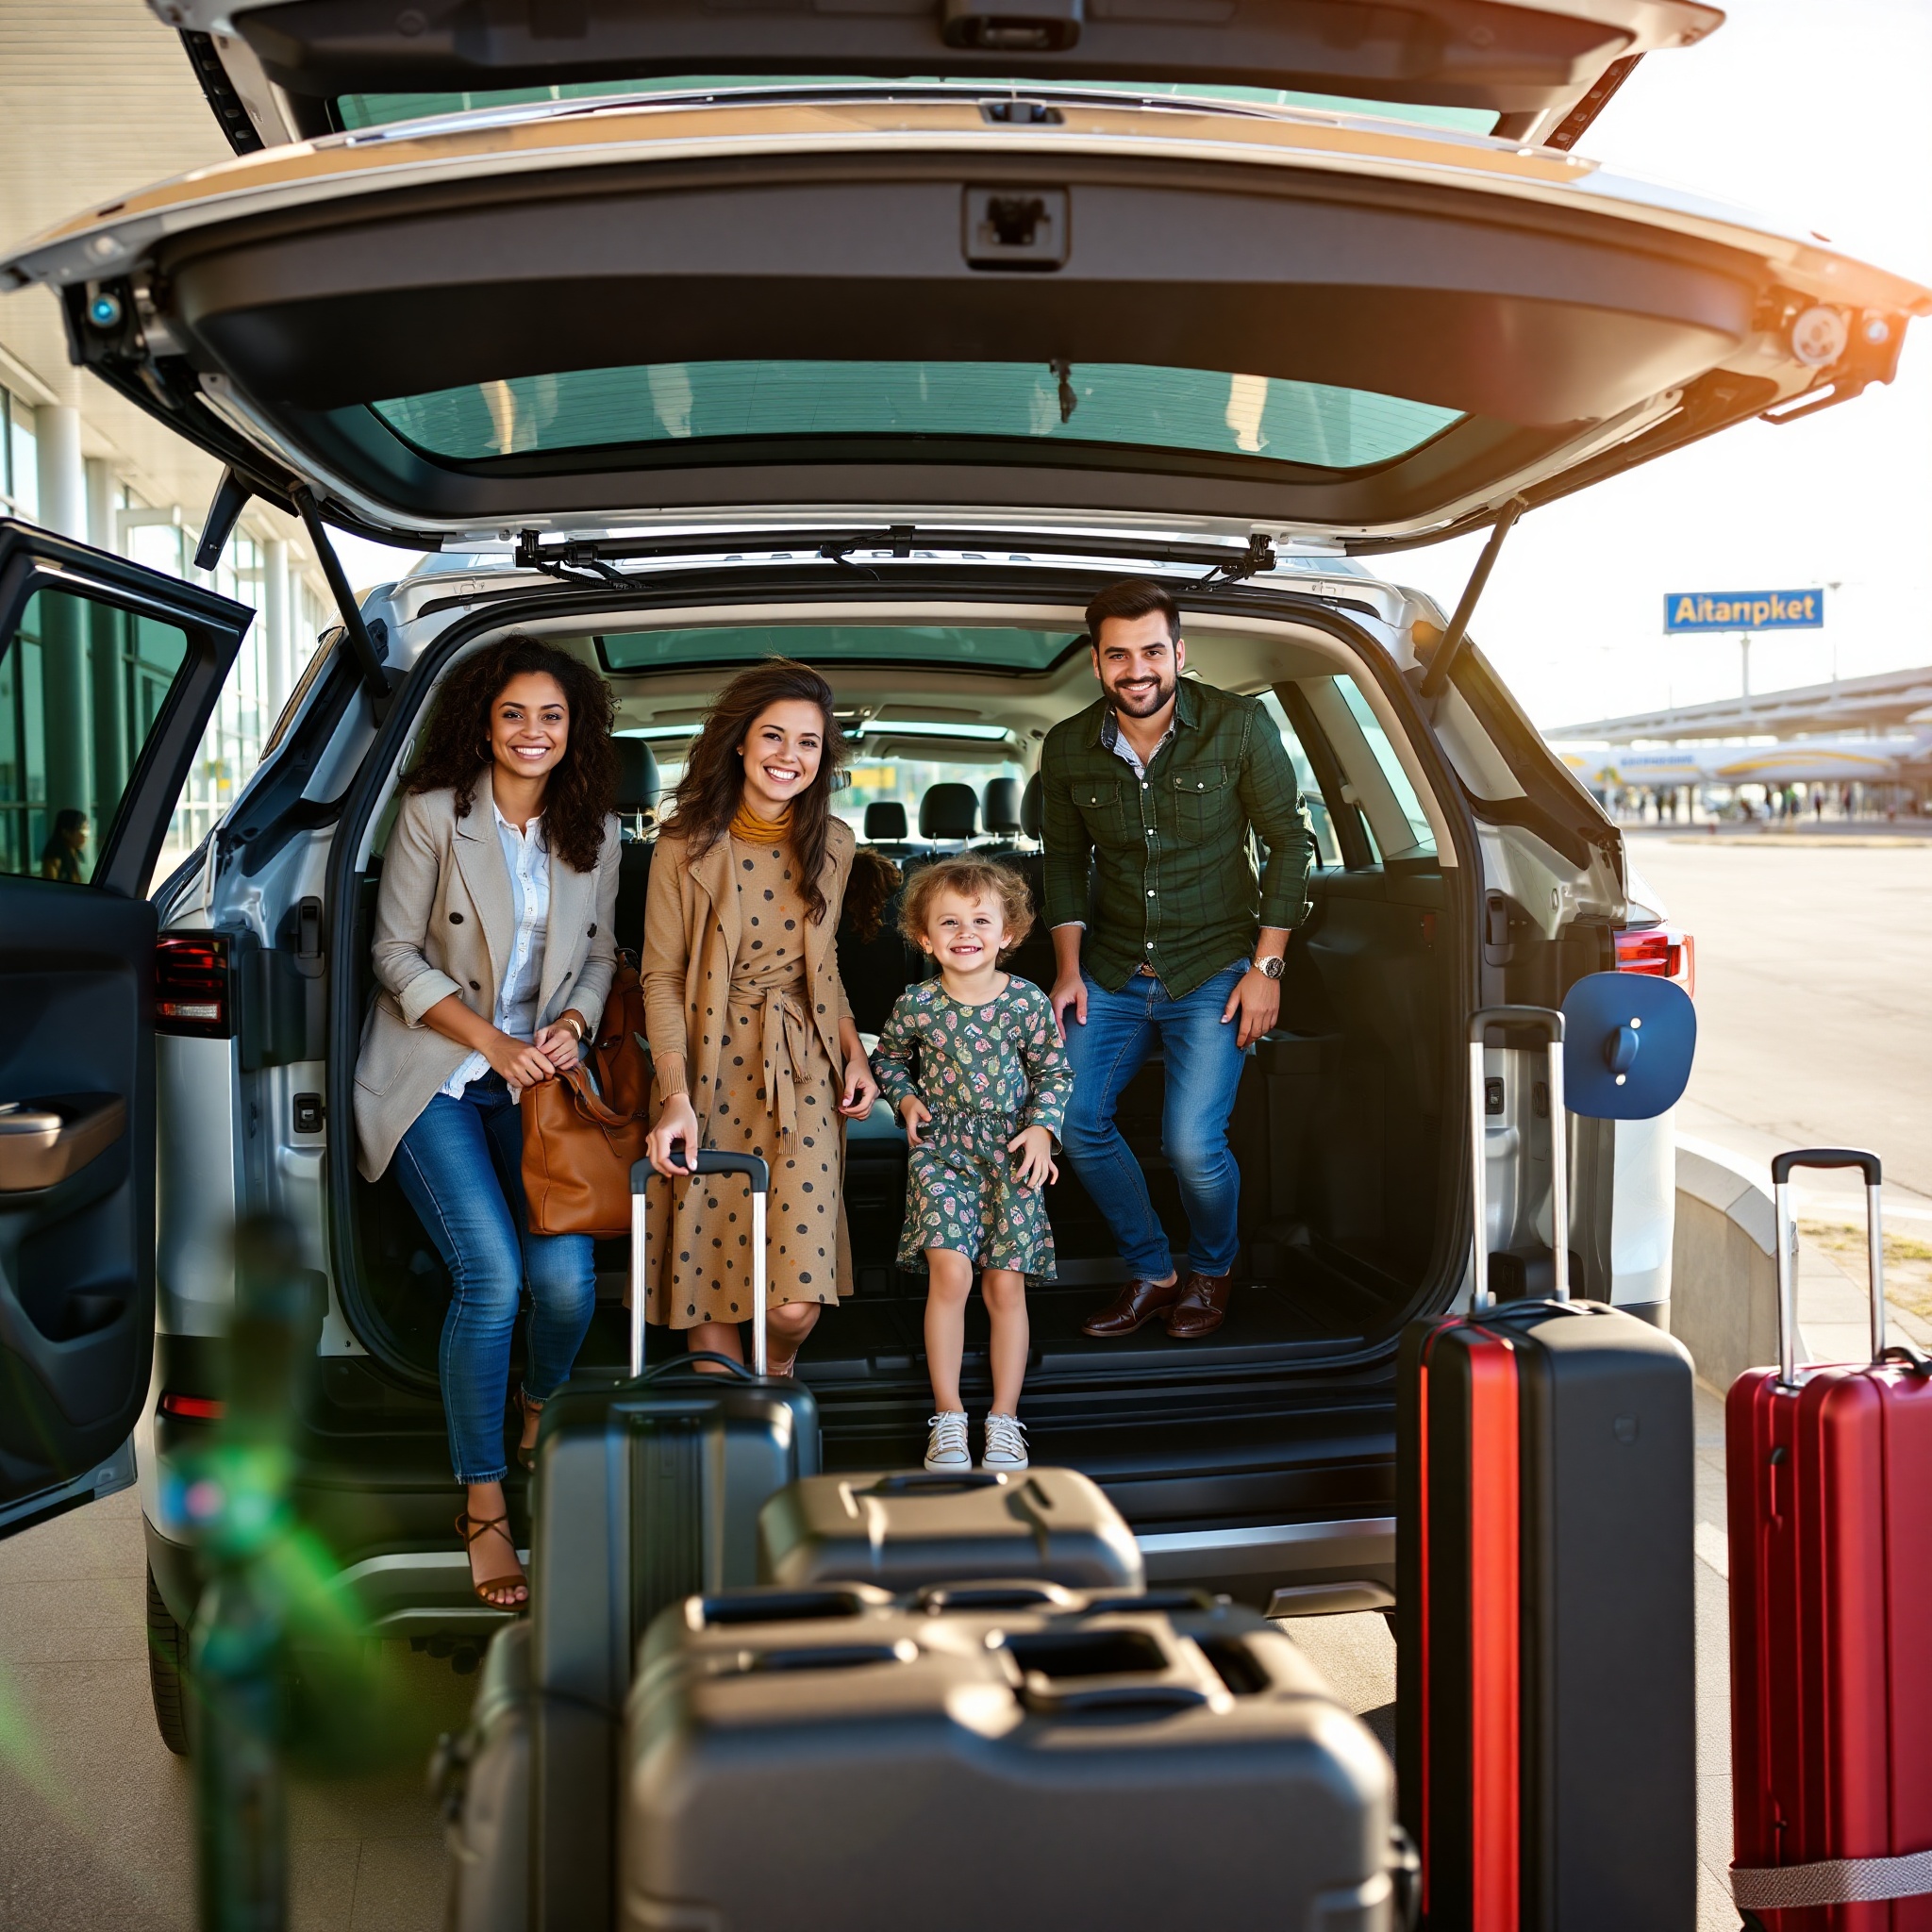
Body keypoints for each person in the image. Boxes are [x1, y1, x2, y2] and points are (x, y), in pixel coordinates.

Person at [354, 635, 621, 1609]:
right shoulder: (434, 816)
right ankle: (483, 1502)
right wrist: (493, 1042)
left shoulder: (595, 827)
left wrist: (570, 1024)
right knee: (493, 1276)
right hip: (437, 1071)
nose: (532, 732)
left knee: (563, 1278)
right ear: (483, 719)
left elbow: (600, 952)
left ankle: (539, 1405)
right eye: (514, 713)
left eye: (551, 715)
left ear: (573, 727)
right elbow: (391, 954)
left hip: (539, 1080)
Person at [1041, 578, 1315, 1341]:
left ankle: (1214, 1269)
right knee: (1073, 1116)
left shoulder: (1238, 726)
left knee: (1193, 1145)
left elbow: (1289, 844)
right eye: (1119, 654)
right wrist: (1068, 968)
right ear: (1097, 664)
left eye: (1153, 651)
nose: (1138, 669)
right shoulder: (1067, 745)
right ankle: (1153, 1270)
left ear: (1178, 654)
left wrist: (1267, 969)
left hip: (1218, 966)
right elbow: (1062, 862)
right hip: (1114, 965)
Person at [640, 659, 879, 1373]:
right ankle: (735, 1440)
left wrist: (854, 1054)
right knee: (710, 1288)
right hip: (705, 1071)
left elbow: (824, 968)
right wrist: (673, 1097)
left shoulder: (835, 842)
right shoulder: (682, 845)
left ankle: (773, 1379)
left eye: (808, 743)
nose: (789, 756)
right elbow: (661, 976)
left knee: (791, 1306)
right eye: (773, 736)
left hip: (802, 1067)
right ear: (740, 742)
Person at [873, 858, 1072, 1473]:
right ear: (926, 939)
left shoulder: (1026, 1003)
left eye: (982, 920)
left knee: (1004, 1284)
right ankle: (950, 1418)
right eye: (950, 923)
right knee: (951, 1276)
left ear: (1007, 933)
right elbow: (888, 1059)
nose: (967, 933)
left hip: (1010, 1153)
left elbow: (1054, 1073)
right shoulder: (919, 1004)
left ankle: (1005, 1420)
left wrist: (1042, 1129)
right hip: (942, 1152)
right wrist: (904, 1098)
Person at [39, 808, 89, 882]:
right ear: (66, 832)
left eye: (87, 830)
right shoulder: (54, 857)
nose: (85, 836)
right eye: (81, 830)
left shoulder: (77, 854)